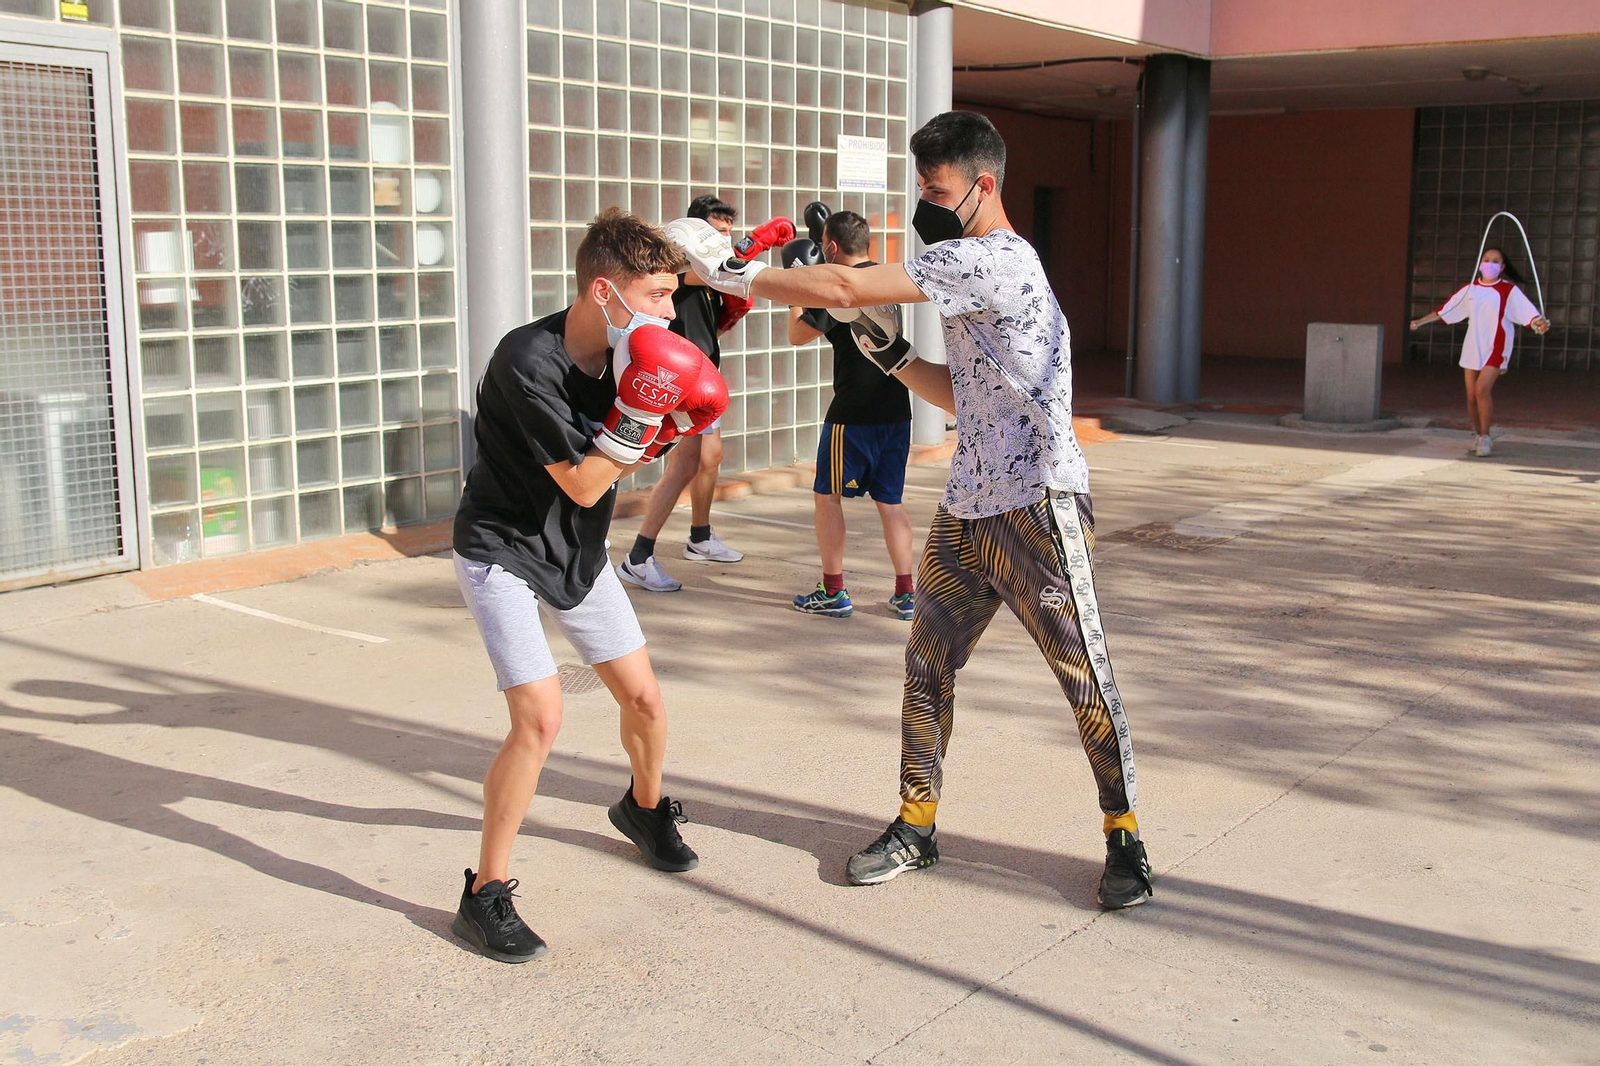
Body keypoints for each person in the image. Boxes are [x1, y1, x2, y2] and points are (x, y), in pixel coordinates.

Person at [663, 110, 1152, 909]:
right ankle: (915, 826)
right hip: (967, 508)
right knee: (926, 666)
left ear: (982, 186)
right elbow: (961, 391)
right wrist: (886, 351)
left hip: (1038, 503)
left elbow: (848, 282)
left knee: (1082, 674)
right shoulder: (967, 268)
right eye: (920, 187)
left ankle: (1124, 837)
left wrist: (731, 268)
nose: (925, 202)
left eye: (937, 189)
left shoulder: (993, 259)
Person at [450, 208, 727, 962]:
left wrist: (663, 422)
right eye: (657, 296)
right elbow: (579, 482)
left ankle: (641, 810)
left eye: (674, 295)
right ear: (605, 292)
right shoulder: (527, 360)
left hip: (576, 550)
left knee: (644, 699)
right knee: (540, 719)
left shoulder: (635, 353)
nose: (670, 314)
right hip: (501, 546)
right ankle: (484, 894)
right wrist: (648, 420)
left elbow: (597, 493)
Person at [619, 195, 789, 591]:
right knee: (675, 463)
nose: (724, 242)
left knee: (709, 458)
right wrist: (757, 242)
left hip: (701, 378)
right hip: (675, 380)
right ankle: (638, 556)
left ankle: (698, 536)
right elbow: (713, 271)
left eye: (728, 233)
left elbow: (714, 314)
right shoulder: (680, 271)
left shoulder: (711, 278)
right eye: (716, 234)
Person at [783, 210, 916, 620]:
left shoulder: (838, 288)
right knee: (890, 502)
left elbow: (797, 335)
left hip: (852, 414)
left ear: (832, 247)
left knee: (827, 496)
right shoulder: (885, 279)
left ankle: (834, 590)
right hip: (898, 406)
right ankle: (907, 594)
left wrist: (795, 282)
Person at [1410, 247, 1550, 457]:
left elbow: (1529, 315)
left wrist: (1539, 323)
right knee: (1470, 397)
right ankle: (1477, 434)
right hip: (1472, 346)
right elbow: (1446, 310)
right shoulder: (1470, 290)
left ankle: (1485, 437)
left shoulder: (1508, 291)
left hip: (1497, 346)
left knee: (1481, 390)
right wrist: (1420, 322)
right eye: (1486, 259)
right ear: (1480, 263)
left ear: (1502, 267)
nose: (1490, 264)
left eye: (1495, 261)